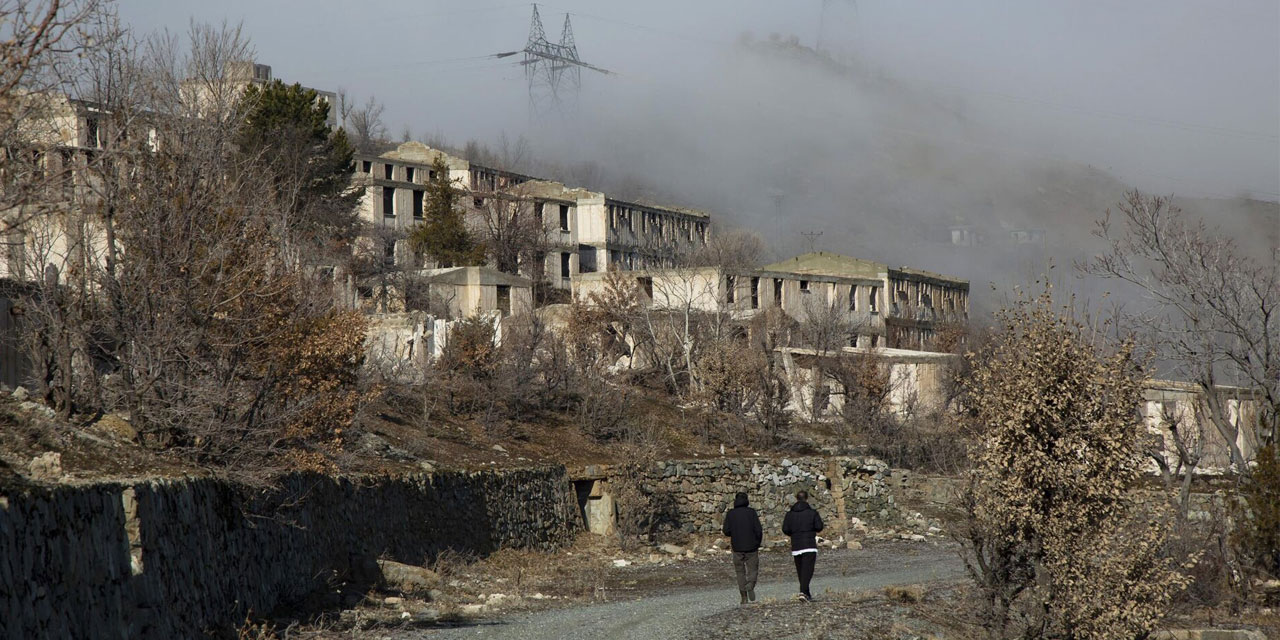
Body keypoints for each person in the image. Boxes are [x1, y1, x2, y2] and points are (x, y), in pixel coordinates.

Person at [781, 489, 824, 601]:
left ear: (796, 499)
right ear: (806, 498)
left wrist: (794, 534)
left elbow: (785, 529)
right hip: (809, 544)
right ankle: (803, 592)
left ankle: (806, 593)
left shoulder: (790, 514)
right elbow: (819, 527)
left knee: (801, 570)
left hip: (796, 545)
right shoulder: (812, 513)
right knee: (808, 570)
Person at [722, 491, 763, 605]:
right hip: (752, 546)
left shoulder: (731, 514)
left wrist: (735, 532)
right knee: (753, 569)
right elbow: (758, 530)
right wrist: (757, 542)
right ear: (747, 500)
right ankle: (750, 584)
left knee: (740, 572)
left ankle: (743, 597)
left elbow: (726, 531)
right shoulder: (751, 512)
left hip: (737, 547)